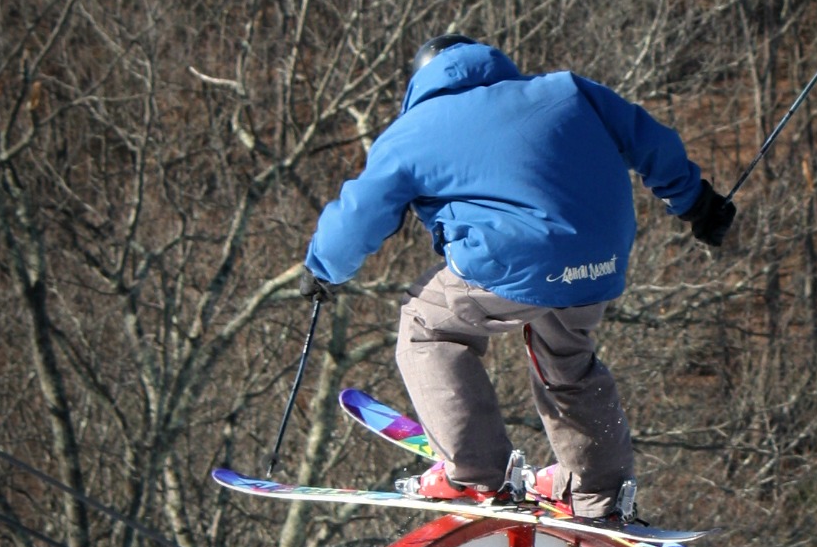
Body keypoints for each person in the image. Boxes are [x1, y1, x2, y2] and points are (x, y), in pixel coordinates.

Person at [300, 34, 736, 519]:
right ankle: (600, 493)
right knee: (567, 359)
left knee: (429, 326)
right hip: (601, 257)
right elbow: (651, 141)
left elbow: (360, 215)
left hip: (513, 261)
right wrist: (696, 203)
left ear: (420, 79)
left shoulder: (414, 130)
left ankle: (476, 474)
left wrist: (323, 268)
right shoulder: (568, 91)